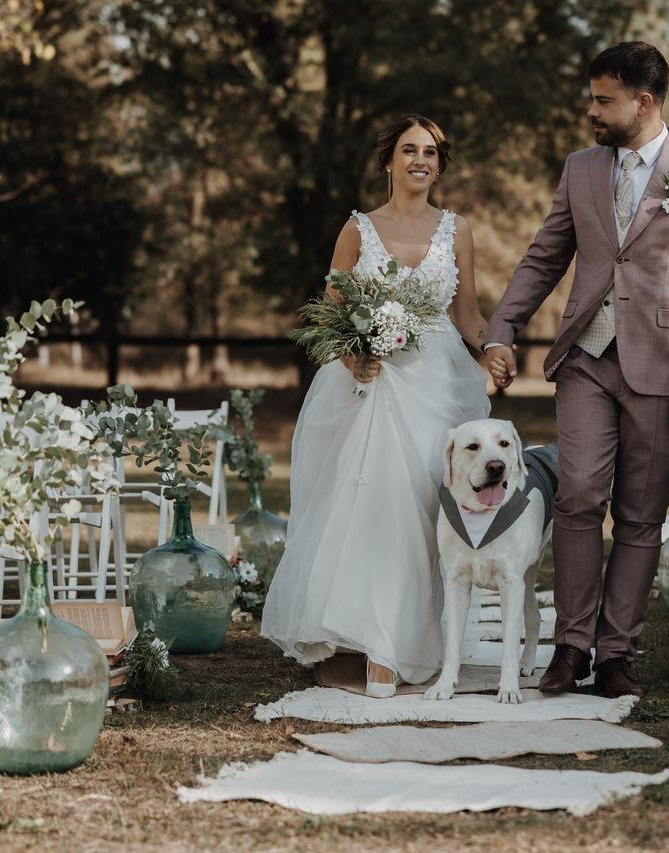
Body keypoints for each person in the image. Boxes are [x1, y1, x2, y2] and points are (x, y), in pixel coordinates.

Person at [484, 41, 669, 699]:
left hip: (664, 369)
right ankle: (569, 646)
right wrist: (502, 327)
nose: (592, 111)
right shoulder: (579, 169)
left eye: (604, 100)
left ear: (643, 100)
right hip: (586, 361)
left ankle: (616, 652)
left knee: (639, 514)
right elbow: (545, 257)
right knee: (576, 498)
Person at [261, 115, 492, 698]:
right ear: (388, 160)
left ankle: (418, 637)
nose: (421, 160)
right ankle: (378, 648)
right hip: (372, 386)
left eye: (432, 152)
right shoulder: (358, 229)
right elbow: (330, 315)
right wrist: (351, 357)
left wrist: (494, 351)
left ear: (441, 164)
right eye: (410, 150)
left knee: (424, 510)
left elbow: (466, 314)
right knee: (377, 510)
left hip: (437, 386)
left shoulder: (456, 230)